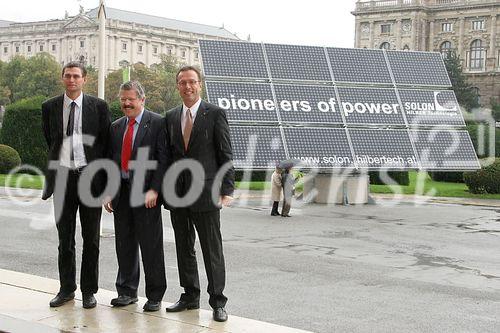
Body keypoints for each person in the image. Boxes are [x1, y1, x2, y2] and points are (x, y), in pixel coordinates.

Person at [164, 66, 234, 322]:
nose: (187, 87)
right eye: (182, 82)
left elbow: (225, 154)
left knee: (211, 250)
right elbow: (168, 157)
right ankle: (190, 295)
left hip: (207, 194)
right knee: (184, 247)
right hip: (178, 194)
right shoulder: (170, 117)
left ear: (200, 85)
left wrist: (227, 189)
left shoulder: (215, 114)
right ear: (177, 86)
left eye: (192, 82)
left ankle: (218, 302)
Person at [42, 61, 111, 309]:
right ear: (62, 78)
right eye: (68, 76)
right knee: (65, 239)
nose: (72, 80)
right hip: (62, 179)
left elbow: (105, 146)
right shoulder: (49, 107)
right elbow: (50, 139)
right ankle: (66, 289)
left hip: (90, 179)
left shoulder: (99, 107)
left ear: (84, 79)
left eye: (76, 76)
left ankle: (89, 291)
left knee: (91, 239)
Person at [103, 81, 168, 312]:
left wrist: (155, 189)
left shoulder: (158, 123)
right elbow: (111, 160)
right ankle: (127, 291)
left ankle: (155, 295)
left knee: (151, 246)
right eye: (123, 99)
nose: (126, 103)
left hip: (147, 193)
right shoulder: (116, 126)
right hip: (121, 193)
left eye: (131, 99)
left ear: (142, 99)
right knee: (125, 244)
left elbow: (163, 160)